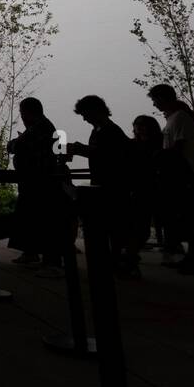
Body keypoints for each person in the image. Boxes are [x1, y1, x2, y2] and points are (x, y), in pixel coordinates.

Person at [67, 95, 138, 277]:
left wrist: (80, 149)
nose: (84, 118)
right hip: (107, 185)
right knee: (114, 227)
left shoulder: (109, 132)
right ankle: (119, 263)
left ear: (95, 111)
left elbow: (107, 155)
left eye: (85, 114)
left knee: (116, 227)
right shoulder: (104, 130)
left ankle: (122, 263)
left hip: (113, 186)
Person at [147, 84, 194, 274]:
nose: (154, 103)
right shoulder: (176, 117)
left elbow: (179, 147)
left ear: (162, 98)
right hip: (183, 177)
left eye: (155, 99)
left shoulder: (179, 118)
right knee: (192, 221)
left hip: (187, 177)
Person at [7, 97, 73, 276]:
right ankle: (33, 253)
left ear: (28, 112)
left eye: (22, 113)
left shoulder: (39, 128)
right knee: (35, 219)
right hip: (37, 182)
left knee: (46, 221)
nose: (21, 117)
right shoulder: (43, 127)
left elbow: (15, 146)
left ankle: (51, 262)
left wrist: (16, 143)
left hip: (41, 183)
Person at [129, 115, 163, 254]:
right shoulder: (158, 143)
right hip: (146, 183)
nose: (139, 128)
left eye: (141, 125)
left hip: (146, 183)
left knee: (142, 215)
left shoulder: (136, 145)